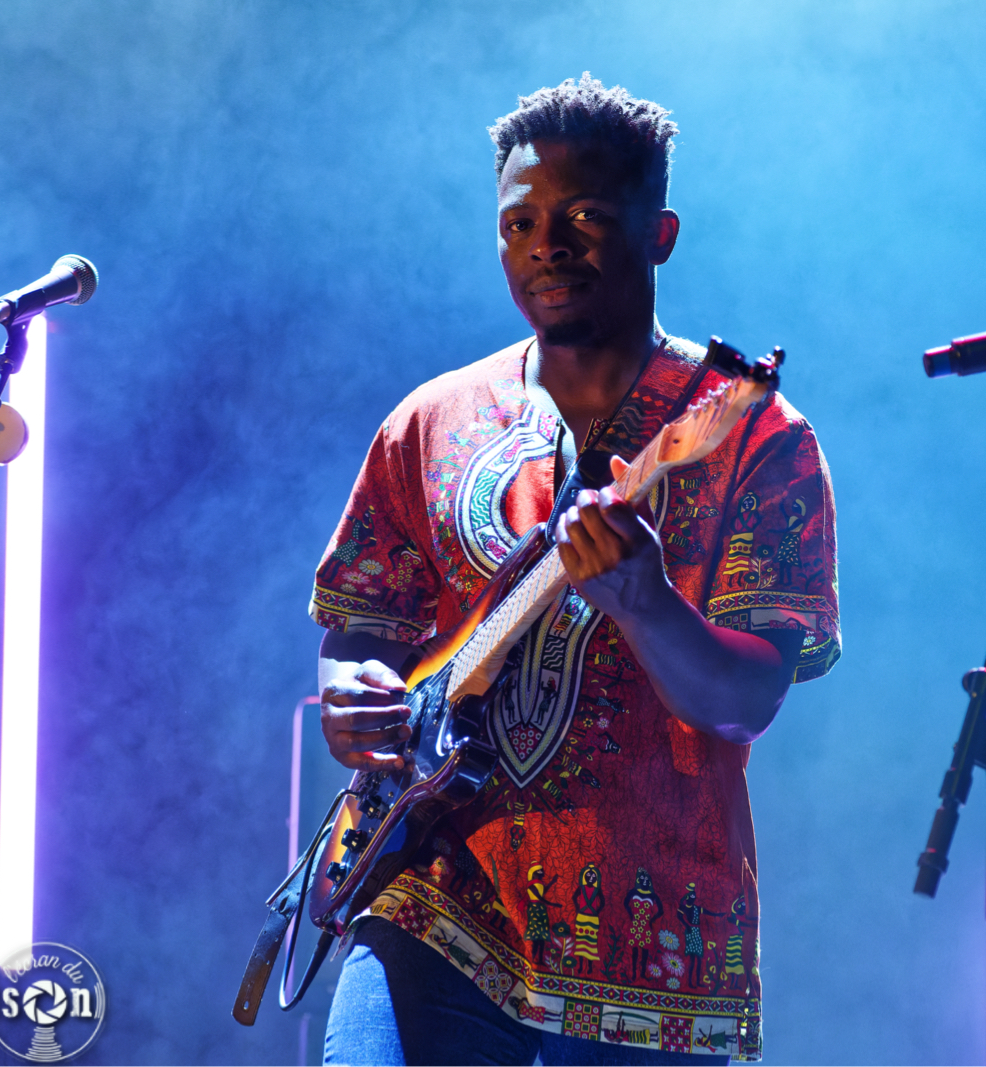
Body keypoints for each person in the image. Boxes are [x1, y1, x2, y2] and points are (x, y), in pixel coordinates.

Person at [311, 74, 840, 1066]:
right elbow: (360, 624)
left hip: (654, 944)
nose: (544, 245)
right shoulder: (426, 422)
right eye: (519, 223)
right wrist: (352, 695)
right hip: (429, 896)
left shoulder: (756, 434)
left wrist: (648, 603)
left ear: (660, 234)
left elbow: (748, 700)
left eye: (584, 216)